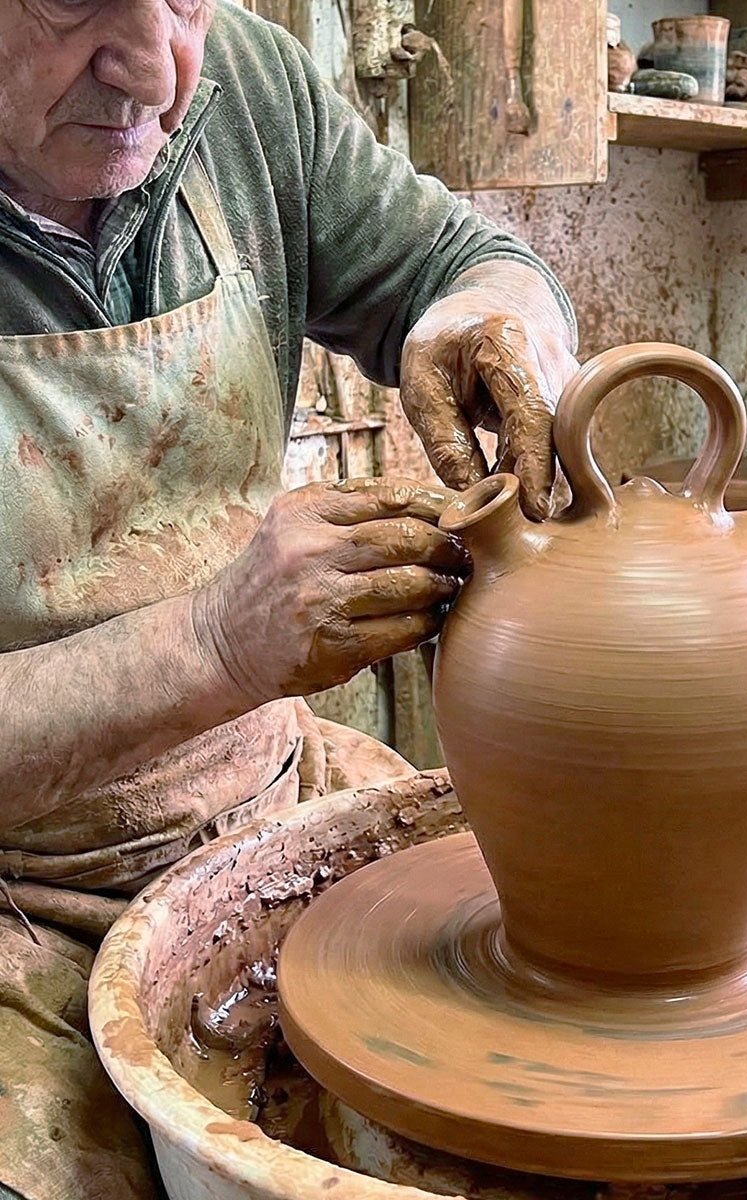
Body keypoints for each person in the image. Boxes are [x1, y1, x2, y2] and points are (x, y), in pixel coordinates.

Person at [0, 1, 579, 1196]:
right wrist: (213, 643)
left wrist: (494, 319)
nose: (157, 71)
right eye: (79, 3)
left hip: (266, 798)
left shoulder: (249, 88)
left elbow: (457, 260)